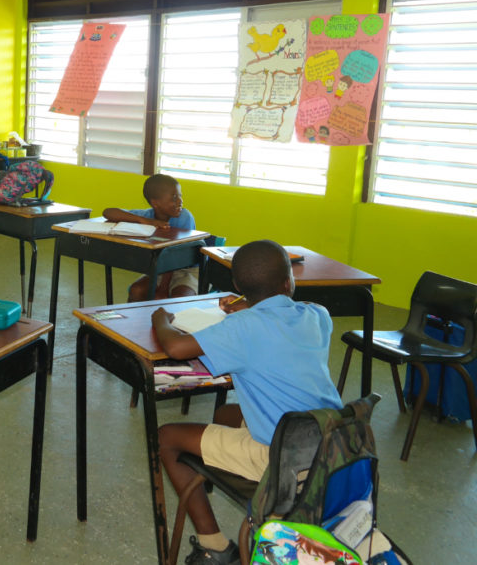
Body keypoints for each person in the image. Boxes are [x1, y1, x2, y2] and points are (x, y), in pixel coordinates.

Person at [150, 240, 343, 565]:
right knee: (226, 413)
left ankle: (214, 547)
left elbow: (177, 349)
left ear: (237, 286)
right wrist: (251, 310)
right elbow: (279, 324)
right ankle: (235, 478)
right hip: (331, 443)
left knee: (165, 438)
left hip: (284, 459)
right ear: (288, 282)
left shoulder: (241, 327)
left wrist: (161, 320)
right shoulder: (317, 315)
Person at [103, 173, 197, 302]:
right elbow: (108, 212)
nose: (180, 201)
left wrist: (163, 289)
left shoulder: (184, 217)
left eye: (180, 195)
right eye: (174, 197)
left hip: (188, 270)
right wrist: (144, 220)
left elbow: (174, 257)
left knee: (179, 299)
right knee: (136, 291)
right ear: (155, 203)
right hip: (161, 269)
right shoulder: (147, 215)